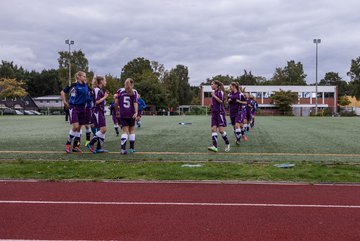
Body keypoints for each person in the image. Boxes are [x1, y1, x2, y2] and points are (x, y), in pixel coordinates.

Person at [60, 71, 89, 153]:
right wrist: (65, 102)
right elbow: (62, 92)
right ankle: (68, 145)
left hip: (83, 108)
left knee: (79, 128)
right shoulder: (73, 85)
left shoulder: (86, 86)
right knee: (75, 127)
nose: (85, 78)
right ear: (78, 77)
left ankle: (76, 146)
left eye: (85, 76)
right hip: (74, 107)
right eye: (83, 76)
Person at [114, 78, 138, 155]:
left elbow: (116, 102)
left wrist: (116, 111)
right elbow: (135, 102)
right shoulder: (134, 91)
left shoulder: (120, 90)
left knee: (125, 131)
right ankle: (132, 148)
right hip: (131, 113)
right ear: (132, 84)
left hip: (123, 113)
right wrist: (136, 112)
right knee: (132, 131)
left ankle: (123, 149)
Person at [86, 76, 109, 153]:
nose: (106, 82)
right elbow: (96, 102)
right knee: (103, 129)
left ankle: (98, 148)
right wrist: (105, 97)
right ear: (101, 81)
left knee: (103, 130)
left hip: (100, 111)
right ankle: (90, 143)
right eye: (105, 80)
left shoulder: (100, 90)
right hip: (97, 111)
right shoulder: (96, 89)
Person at [207, 80, 230, 153]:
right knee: (213, 129)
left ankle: (227, 143)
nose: (211, 85)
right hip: (214, 113)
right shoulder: (214, 92)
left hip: (220, 113)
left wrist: (214, 96)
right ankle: (215, 147)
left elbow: (221, 101)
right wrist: (212, 105)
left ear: (216, 85)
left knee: (221, 130)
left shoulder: (220, 92)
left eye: (212, 84)